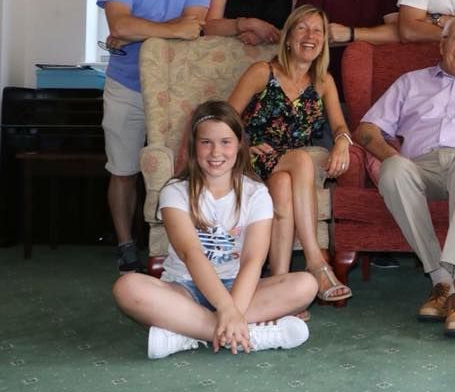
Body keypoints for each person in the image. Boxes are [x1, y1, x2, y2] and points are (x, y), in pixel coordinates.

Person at [112, 101, 316, 359]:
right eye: (206, 142)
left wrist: (233, 308)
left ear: (240, 145)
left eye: (225, 142)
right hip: (184, 288)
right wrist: (227, 311)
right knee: (127, 287)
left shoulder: (257, 194)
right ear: (193, 146)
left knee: (306, 285)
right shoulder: (174, 192)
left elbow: (253, 260)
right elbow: (191, 254)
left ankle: (187, 333)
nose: (215, 151)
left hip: (240, 288)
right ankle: (249, 335)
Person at [355, 16, 455, 338]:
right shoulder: (410, 82)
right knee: (393, 170)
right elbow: (367, 128)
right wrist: (390, 155)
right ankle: (441, 279)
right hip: (422, 164)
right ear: (442, 44)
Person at [97, 0, 210, 273]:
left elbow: (193, 28)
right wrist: (170, 27)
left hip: (176, 90)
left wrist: (133, 29)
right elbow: (119, 22)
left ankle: (182, 246)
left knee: (180, 168)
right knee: (123, 170)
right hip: (125, 84)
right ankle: (126, 245)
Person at [228, 5, 352, 303]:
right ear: (287, 37)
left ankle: (280, 286)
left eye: (317, 31)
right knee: (300, 159)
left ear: (323, 42)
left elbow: (339, 125)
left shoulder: (324, 82)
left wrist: (343, 142)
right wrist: (243, 145)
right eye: (302, 28)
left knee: (284, 183)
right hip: (252, 158)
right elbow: (225, 118)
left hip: (287, 170)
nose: (310, 36)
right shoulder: (263, 72)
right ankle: (315, 261)